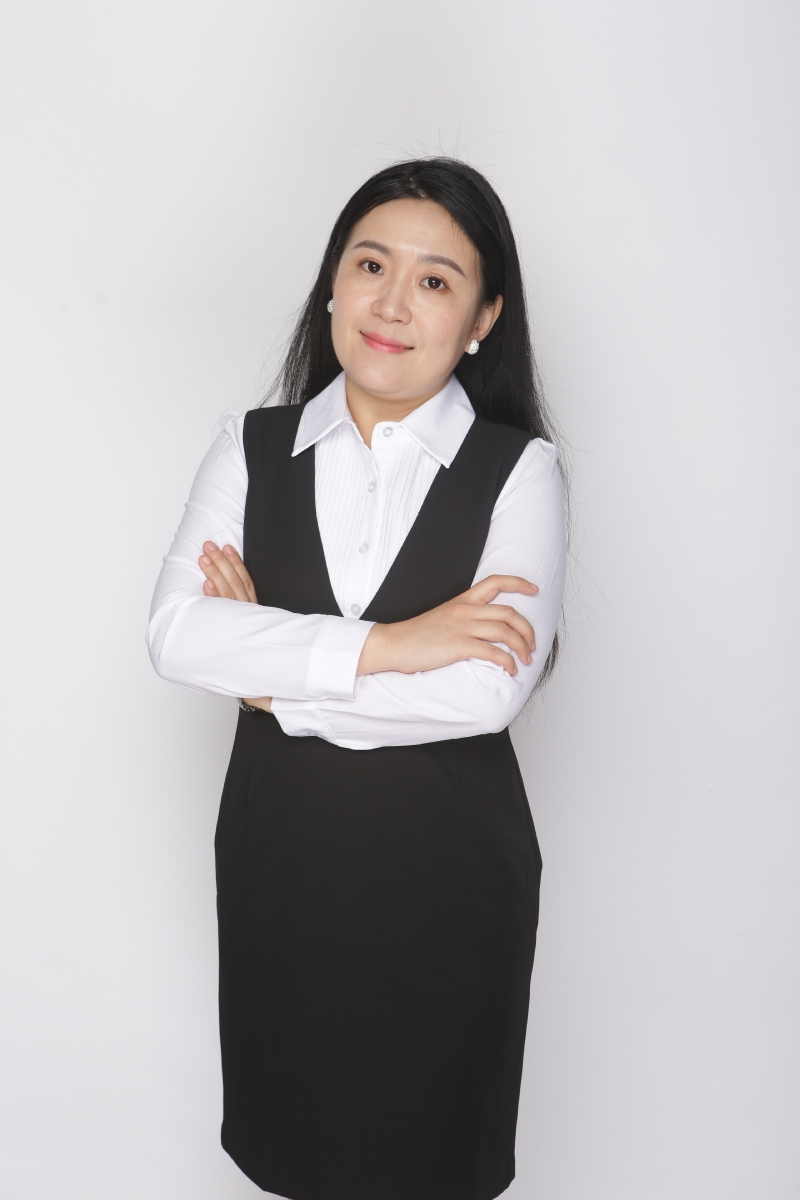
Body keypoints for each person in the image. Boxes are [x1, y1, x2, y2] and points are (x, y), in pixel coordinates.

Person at [147, 157, 567, 1200]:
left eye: (435, 280)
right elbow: (176, 635)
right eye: (370, 265)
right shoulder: (248, 448)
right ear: (332, 283)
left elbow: (484, 692)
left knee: (432, 1164)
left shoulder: (520, 471)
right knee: (296, 1157)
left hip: (450, 885)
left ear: (483, 317)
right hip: (283, 872)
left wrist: (270, 679)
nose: (391, 303)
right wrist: (394, 644)